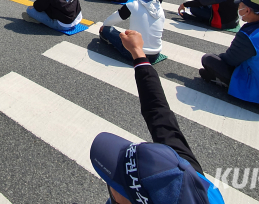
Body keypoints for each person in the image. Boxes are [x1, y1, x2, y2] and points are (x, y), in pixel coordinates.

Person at [91, 30, 225, 204]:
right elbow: (158, 112)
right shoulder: (190, 177)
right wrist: (137, 53)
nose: (110, 186)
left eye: (117, 183)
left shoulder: (191, 177)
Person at [99, 0, 164, 62]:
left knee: (106, 29)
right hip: (154, 55)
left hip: (134, 54)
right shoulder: (160, 9)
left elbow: (109, 22)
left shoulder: (133, 5)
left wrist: (104, 26)